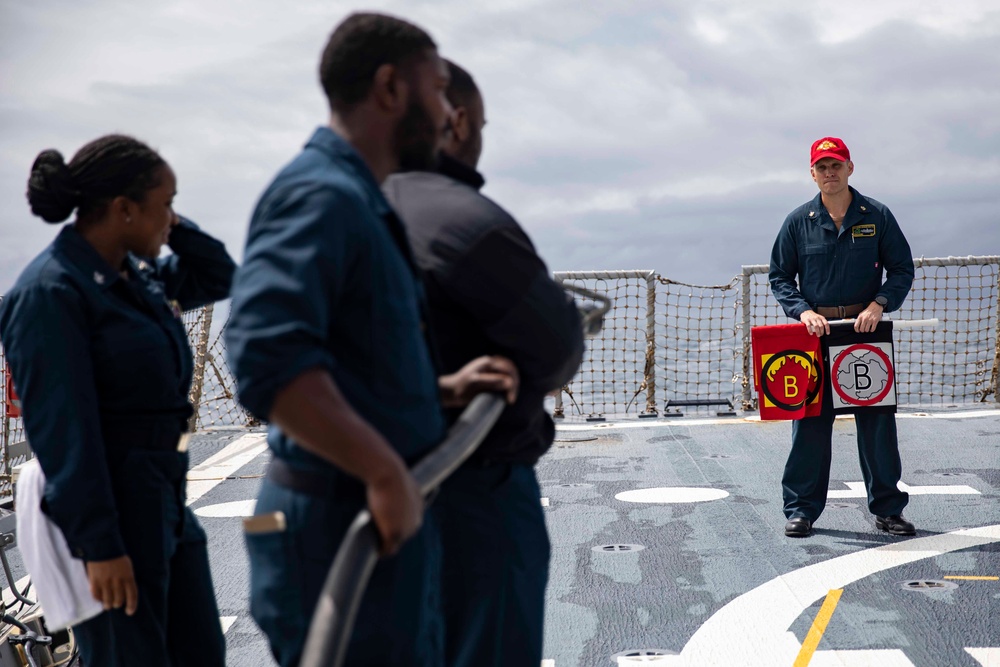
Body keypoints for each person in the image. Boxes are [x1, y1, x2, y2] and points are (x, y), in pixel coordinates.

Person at [224, 14, 519, 667]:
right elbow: (265, 356)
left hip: (366, 522)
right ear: (390, 87)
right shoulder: (318, 195)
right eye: (439, 89)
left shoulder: (363, 199)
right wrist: (383, 470)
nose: (449, 114)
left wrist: (441, 388)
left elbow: (352, 354)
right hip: (334, 529)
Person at [0, 134, 235, 665]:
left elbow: (219, 274)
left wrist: (172, 223)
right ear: (124, 209)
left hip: (166, 503)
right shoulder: (51, 293)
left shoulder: (140, 280)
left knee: (200, 653)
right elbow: (64, 435)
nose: (170, 219)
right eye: (164, 206)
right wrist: (102, 547)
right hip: (112, 516)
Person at [384, 60, 584, 667]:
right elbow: (557, 348)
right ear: (460, 120)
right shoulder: (465, 221)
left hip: (359, 491)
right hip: (471, 491)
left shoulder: (339, 211)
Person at [769, 136, 916, 538]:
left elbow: (902, 269)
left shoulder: (878, 216)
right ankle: (801, 511)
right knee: (810, 425)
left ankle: (888, 510)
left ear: (850, 168)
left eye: (836, 165)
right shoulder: (799, 221)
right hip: (815, 337)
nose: (829, 173)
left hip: (865, 333)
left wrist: (879, 303)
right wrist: (803, 311)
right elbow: (780, 276)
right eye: (822, 167)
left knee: (877, 425)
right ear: (812, 174)